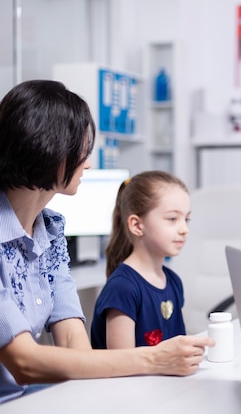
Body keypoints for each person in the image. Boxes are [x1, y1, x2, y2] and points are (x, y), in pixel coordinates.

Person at [0, 80, 211, 403]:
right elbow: (24, 362)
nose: (87, 163)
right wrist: (153, 359)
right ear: (47, 147)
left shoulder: (51, 230)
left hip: (35, 398)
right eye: (82, 150)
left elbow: (72, 341)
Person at [90, 171, 190, 349]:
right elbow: (122, 365)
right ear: (137, 225)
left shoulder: (174, 281)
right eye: (173, 219)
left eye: (186, 219)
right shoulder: (122, 288)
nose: (184, 229)